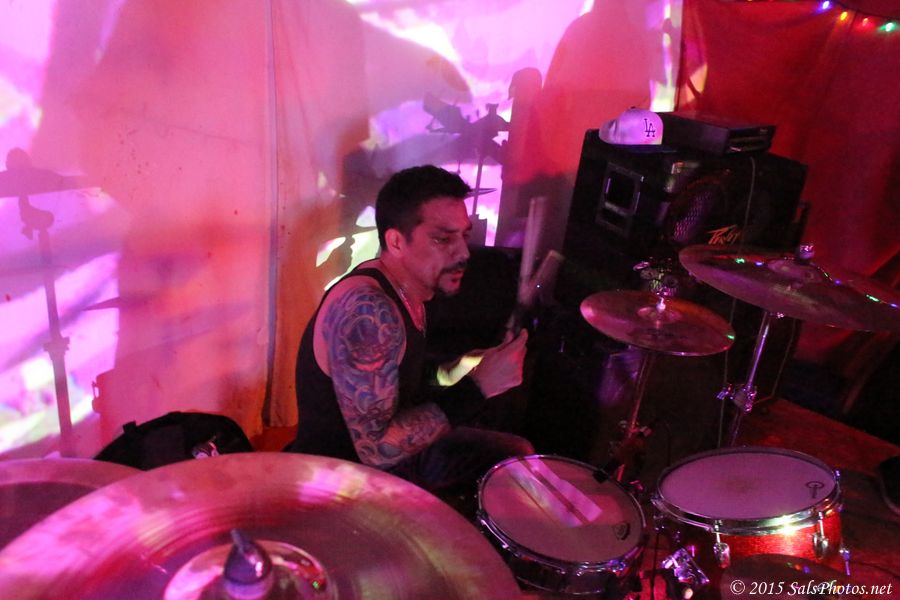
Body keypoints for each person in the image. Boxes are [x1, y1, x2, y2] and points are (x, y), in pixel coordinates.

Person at [286, 165, 533, 497]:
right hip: (340, 482)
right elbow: (376, 451)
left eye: (464, 235)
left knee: (516, 456)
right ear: (396, 241)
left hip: (379, 461)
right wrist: (479, 388)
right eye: (442, 239)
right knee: (511, 467)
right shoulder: (369, 311)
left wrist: (456, 370)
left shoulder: (408, 290)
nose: (463, 252)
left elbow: (398, 382)